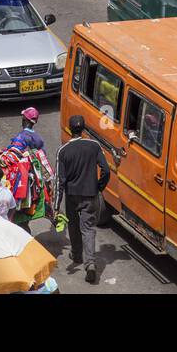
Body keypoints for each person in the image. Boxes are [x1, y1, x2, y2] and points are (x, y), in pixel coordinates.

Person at [56, 114, 111, 284]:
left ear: (70, 129)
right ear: (84, 129)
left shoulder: (63, 151)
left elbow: (60, 181)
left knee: (73, 225)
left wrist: (56, 206)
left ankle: (77, 255)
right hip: (90, 194)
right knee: (88, 229)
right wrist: (99, 187)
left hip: (72, 196)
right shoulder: (94, 146)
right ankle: (91, 264)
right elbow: (106, 170)